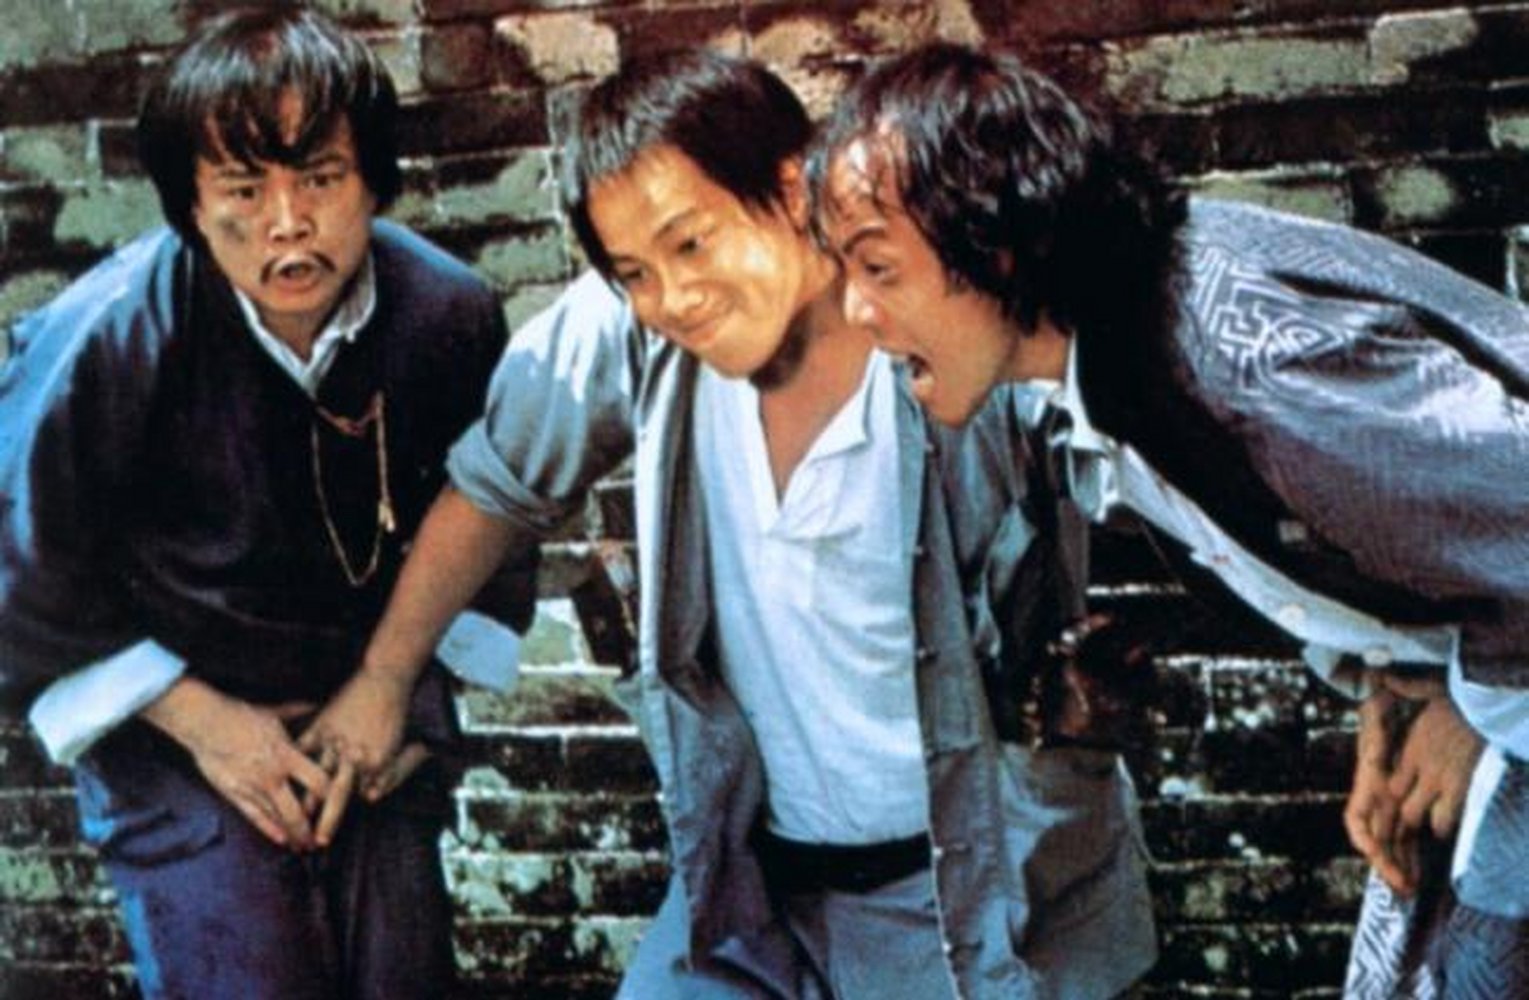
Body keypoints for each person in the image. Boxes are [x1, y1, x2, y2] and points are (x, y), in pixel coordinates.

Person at [303, 49, 1156, 998]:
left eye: (692, 244)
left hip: (972, 883)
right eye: (633, 270)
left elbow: (1148, 425)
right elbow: (494, 485)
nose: (673, 297)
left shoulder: (942, 323)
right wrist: (383, 680)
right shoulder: (634, 332)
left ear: (792, 190)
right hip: (752, 886)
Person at [811, 41, 1529, 997]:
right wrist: (1398, 690)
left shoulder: (1247, 364)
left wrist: (1466, 714)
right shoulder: (1127, 374)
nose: (855, 310)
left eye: (877, 267)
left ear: (998, 243)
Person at [0, 6, 516, 998]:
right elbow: (21, 565)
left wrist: (399, 701)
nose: (287, 222)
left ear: (373, 182)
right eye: (243, 189)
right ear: (192, 208)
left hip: (370, 715)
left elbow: (493, 521)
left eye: (321, 178)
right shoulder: (105, 335)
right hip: (172, 727)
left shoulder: (447, 315)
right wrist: (206, 725)